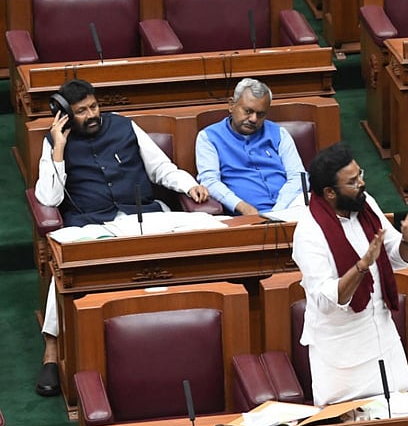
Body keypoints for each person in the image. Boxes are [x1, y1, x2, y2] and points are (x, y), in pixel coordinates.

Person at [34, 79, 209, 396]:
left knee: (207, 230)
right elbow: (48, 197)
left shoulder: (125, 127)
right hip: (91, 225)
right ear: (65, 114)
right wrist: (58, 147)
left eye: (93, 106)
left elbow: (160, 168)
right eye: (81, 111)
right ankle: (51, 352)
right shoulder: (54, 142)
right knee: (63, 265)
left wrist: (187, 185)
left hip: (144, 216)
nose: (91, 114)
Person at [291, 142, 408, 405]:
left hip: (384, 337)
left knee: (403, 423)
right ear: (330, 192)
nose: (362, 184)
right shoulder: (309, 233)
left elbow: (394, 257)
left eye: (360, 175)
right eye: (353, 182)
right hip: (341, 356)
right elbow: (324, 300)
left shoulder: (366, 206)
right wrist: (361, 266)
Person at [195, 78, 308, 216]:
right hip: (243, 216)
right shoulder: (209, 137)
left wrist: (278, 211)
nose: (253, 119)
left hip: (289, 208)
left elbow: (298, 176)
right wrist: (242, 207)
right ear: (231, 105)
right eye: (248, 111)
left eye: (260, 114)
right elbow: (210, 181)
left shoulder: (279, 133)